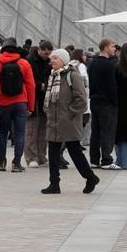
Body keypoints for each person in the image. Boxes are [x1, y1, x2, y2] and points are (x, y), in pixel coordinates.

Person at [39, 49, 100, 195]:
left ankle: (90, 177)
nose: (52, 60)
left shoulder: (72, 75)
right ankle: (54, 184)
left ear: (63, 60)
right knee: (53, 153)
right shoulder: (53, 76)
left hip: (68, 121)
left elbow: (81, 99)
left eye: (55, 58)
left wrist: (69, 113)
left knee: (75, 151)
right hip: (54, 120)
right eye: (52, 58)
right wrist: (48, 111)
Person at [0, 39, 36, 172]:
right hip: (20, 103)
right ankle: (16, 163)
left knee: (2, 133)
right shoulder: (24, 63)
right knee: (19, 134)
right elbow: (31, 86)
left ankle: (2, 162)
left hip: (3, 103)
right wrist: (30, 106)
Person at [88, 38, 120, 169]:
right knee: (107, 131)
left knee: (95, 132)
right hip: (107, 103)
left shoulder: (92, 63)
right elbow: (112, 86)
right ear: (106, 48)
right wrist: (115, 102)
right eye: (112, 46)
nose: (114, 49)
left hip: (94, 101)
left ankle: (94, 160)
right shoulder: (109, 65)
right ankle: (106, 160)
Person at [25, 41, 53, 168]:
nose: (47, 56)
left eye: (49, 53)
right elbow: (28, 79)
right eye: (45, 53)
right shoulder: (30, 61)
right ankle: (31, 157)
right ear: (40, 50)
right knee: (32, 129)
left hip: (45, 98)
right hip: (33, 98)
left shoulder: (49, 62)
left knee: (43, 129)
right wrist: (40, 85)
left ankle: (41, 156)